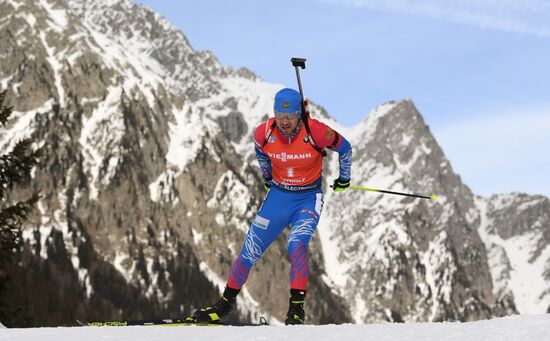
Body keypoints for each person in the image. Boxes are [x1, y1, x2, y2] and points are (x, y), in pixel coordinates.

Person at [186, 88, 352, 325]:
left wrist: (344, 178)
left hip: (307, 199)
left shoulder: (315, 131)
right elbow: (262, 154)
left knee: (296, 245)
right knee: (249, 250)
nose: (284, 122)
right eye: (279, 115)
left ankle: (296, 310)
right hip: (278, 198)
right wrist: (267, 178)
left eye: (290, 116)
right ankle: (223, 306)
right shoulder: (264, 133)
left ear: (299, 115)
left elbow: (345, 148)